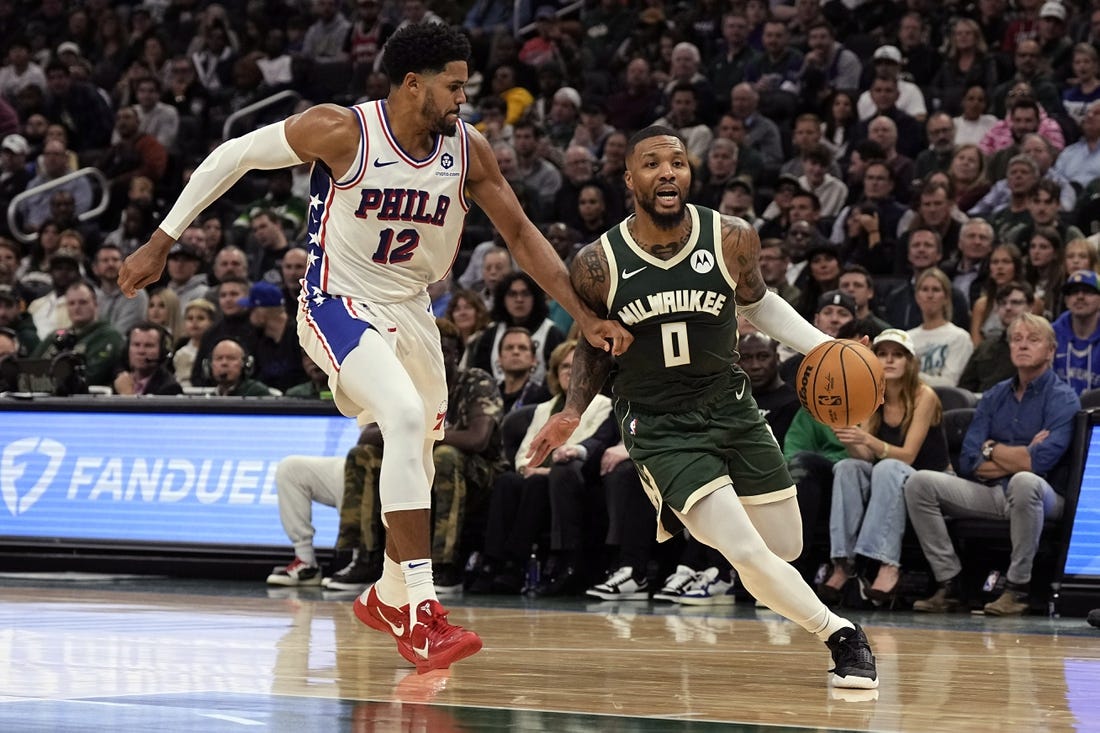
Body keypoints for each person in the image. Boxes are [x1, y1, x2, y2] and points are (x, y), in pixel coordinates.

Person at [118, 23, 629, 674]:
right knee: (404, 419)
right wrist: (163, 239)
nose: (462, 100)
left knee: (417, 448)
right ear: (413, 84)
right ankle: (421, 611)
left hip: (413, 311)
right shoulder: (344, 131)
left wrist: (583, 315)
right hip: (337, 301)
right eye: (452, 87)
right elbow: (235, 155)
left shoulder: (466, 151)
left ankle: (389, 594)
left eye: (465, 87)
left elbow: (524, 234)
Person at [527, 126, 878, 689]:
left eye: (678, 162)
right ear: (629, 178)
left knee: (783, 545)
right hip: (659, 423)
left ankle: (694, 508)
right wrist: (571, 412)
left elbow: (760, 305)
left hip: (731, 406)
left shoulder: (731, 236)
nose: (667, 172)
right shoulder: (598, 263)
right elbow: (594, 350)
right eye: (652, 163)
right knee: (742, 549)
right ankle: (841, 636)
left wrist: (824, 347)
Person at [905, 313, 1079, 616]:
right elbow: (971, 459)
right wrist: (1014, 453)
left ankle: (1018, 589)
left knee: (1025, 482)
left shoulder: (1064, 398)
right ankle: (950, 584)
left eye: (1033, 339)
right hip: (991, 492)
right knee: (920, 483)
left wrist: (993, 450)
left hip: (1046, 495)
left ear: (1051, 350)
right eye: (1017, 339)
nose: (1022, 345)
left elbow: (1039, 462)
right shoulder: (995, 394)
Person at [821, 329, 948, 606]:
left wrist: (867, 438)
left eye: (897, 355)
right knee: (846, 467)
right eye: (882, 354)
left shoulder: (924, 395)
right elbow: (865, 456)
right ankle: (843, 562)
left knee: (888, 467)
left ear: (910, 362)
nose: (889, 360)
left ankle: (888, 564)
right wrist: (847, 436)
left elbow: (909, 456)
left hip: (930, 479)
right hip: (887, 475)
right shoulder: (870, 395)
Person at [1053, 270, 1100, 395]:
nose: (1080, 296)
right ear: (1066, 301)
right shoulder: (1050, 336)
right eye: (1074, 292)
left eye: (1088, 291)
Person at [112, 321, 183, 396]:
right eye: (136, 345)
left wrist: (127, 393)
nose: (141, 351)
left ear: (162, 352)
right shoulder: (122, 381)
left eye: (148, 346)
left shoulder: (170, 388)